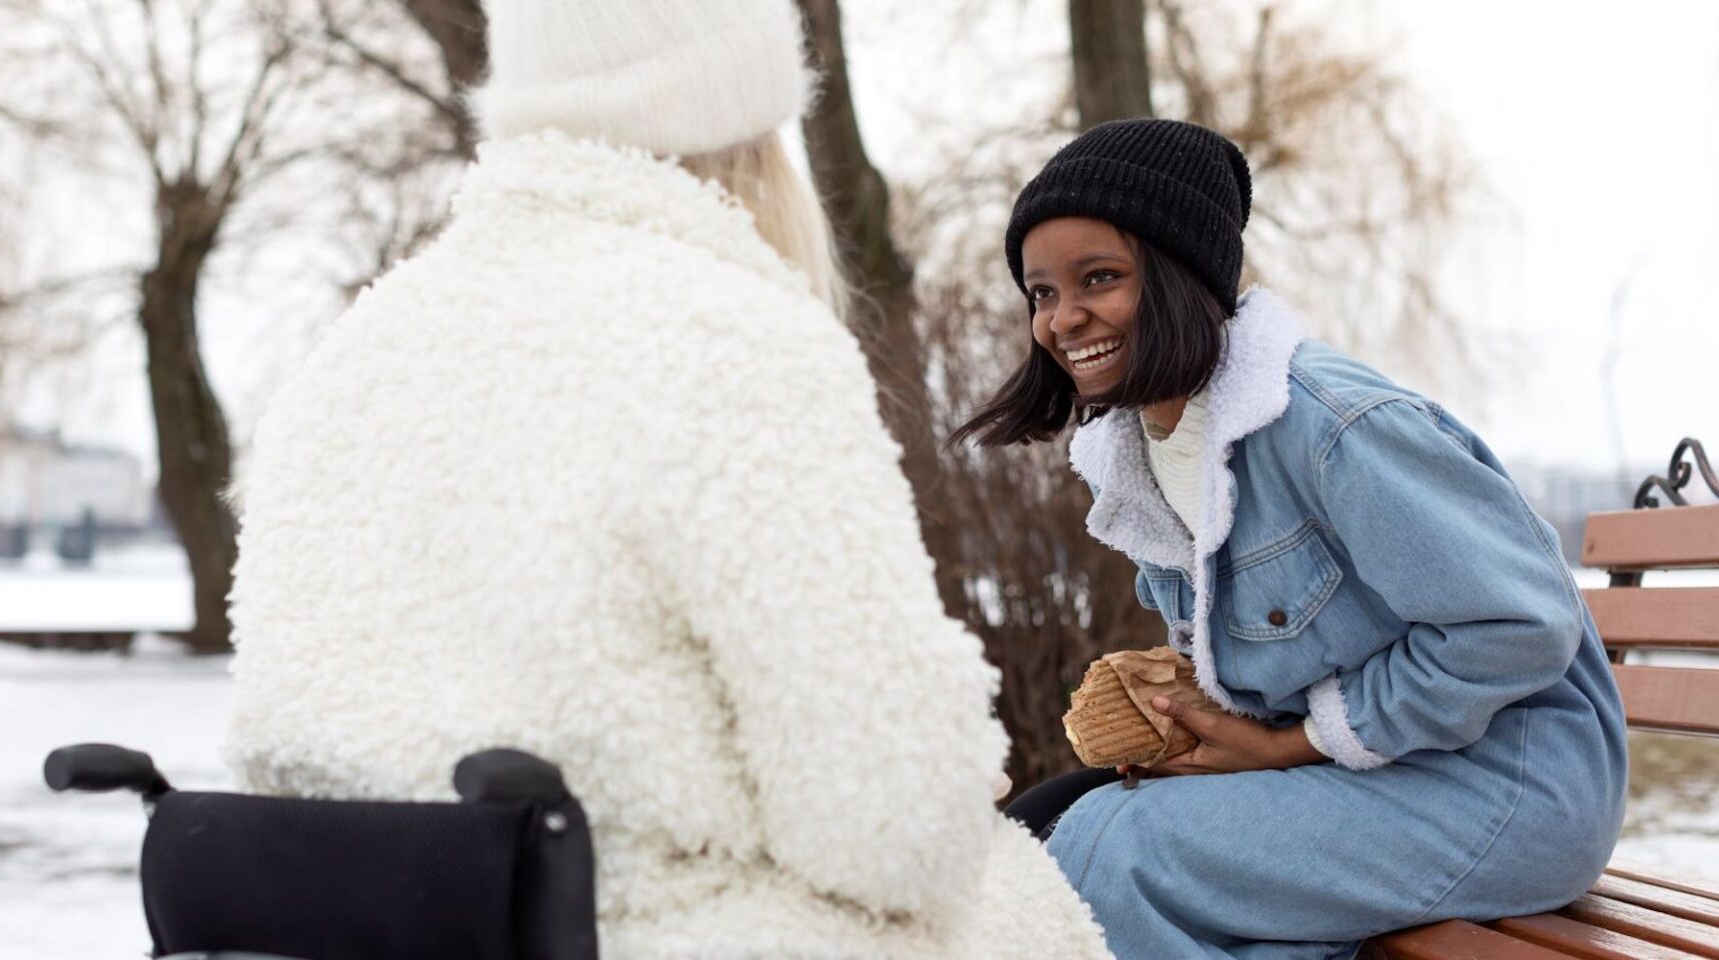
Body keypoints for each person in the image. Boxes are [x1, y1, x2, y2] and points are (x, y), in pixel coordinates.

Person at [222, 1, 1110, 958]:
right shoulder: (736, 346)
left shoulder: (347, 362)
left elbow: (284, 736)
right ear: (742, 113)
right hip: (658, 932)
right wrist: (939, 776)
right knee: (1033, 895)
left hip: (353, 928)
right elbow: (890, 835)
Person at [958, 119, 1629, 960]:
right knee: (1043, 825)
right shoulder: (1140, 451)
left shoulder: (1331, 424)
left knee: (1111, 851)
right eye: (1043, 292)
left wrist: (1290, 744)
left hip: (1513, 784)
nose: (1064, 318)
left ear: (1178, 276)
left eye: (1100, 278)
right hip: (1375, 778)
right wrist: (1194, 720)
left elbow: (1520, 627)